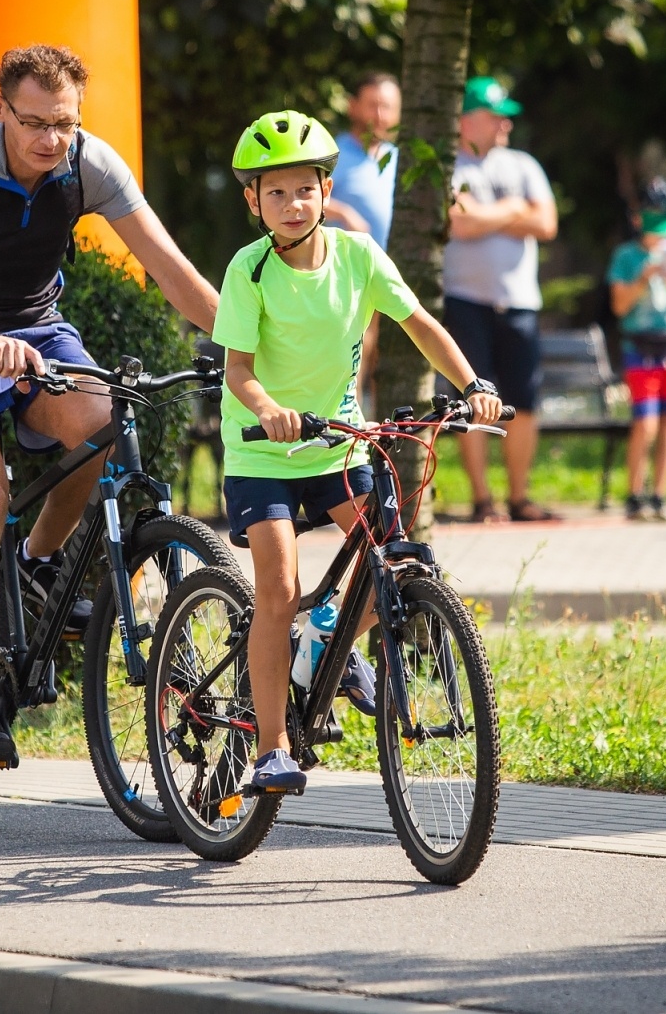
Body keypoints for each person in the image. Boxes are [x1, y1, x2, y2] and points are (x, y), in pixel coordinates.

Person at [0, 44, 219, 765]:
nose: (50, 139)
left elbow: (170, 266)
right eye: (34, 122)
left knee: (107, 423)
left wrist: (245, 350)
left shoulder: (89, 163)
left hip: (38, 333)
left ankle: (39, 566)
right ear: (2, 108)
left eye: (64, 123)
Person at [213, 110, 501, 792]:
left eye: (304, 189)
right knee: (279, 586)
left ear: (326, 188)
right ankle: (272, 747)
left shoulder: (358, 256)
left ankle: (327, 647)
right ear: (253, 200)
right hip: (264, 451)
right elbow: (238, 371)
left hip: (338, 443)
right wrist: (269, 412)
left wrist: (472, 384)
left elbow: (420, 323)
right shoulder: (248, 271)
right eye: (274, 192)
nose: (291, 204)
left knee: (393, 560)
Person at [442, 76, 560, 523]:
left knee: (524, 401)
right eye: (495, 117)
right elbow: (459, 223)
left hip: (520, 303)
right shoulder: (448, 166)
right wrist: (515, 211)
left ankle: (519, 497)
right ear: (465, 121)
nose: (505, 125)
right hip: (465, 300)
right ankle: (482, 499)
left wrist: (487, 216)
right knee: (474, 398)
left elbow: (546, 224)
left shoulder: (524, 165)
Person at [607, 178, 666, 522]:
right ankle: (634, 494)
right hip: (639, 348)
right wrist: (643, 280)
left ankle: (660, 494)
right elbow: (619, 306)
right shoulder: (626, 257)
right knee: (643, 424)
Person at [324, 72, 401, 413]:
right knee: (355, 357)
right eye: (372, 105)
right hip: (349, 277)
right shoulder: (332, 153)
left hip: (397, 278)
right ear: (353, 107)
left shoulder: (401, 158)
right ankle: (349, 432)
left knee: (393, 365)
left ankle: (384, 441)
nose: (379, 115)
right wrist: (344, 213)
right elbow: (303, 198)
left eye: (387, 107)